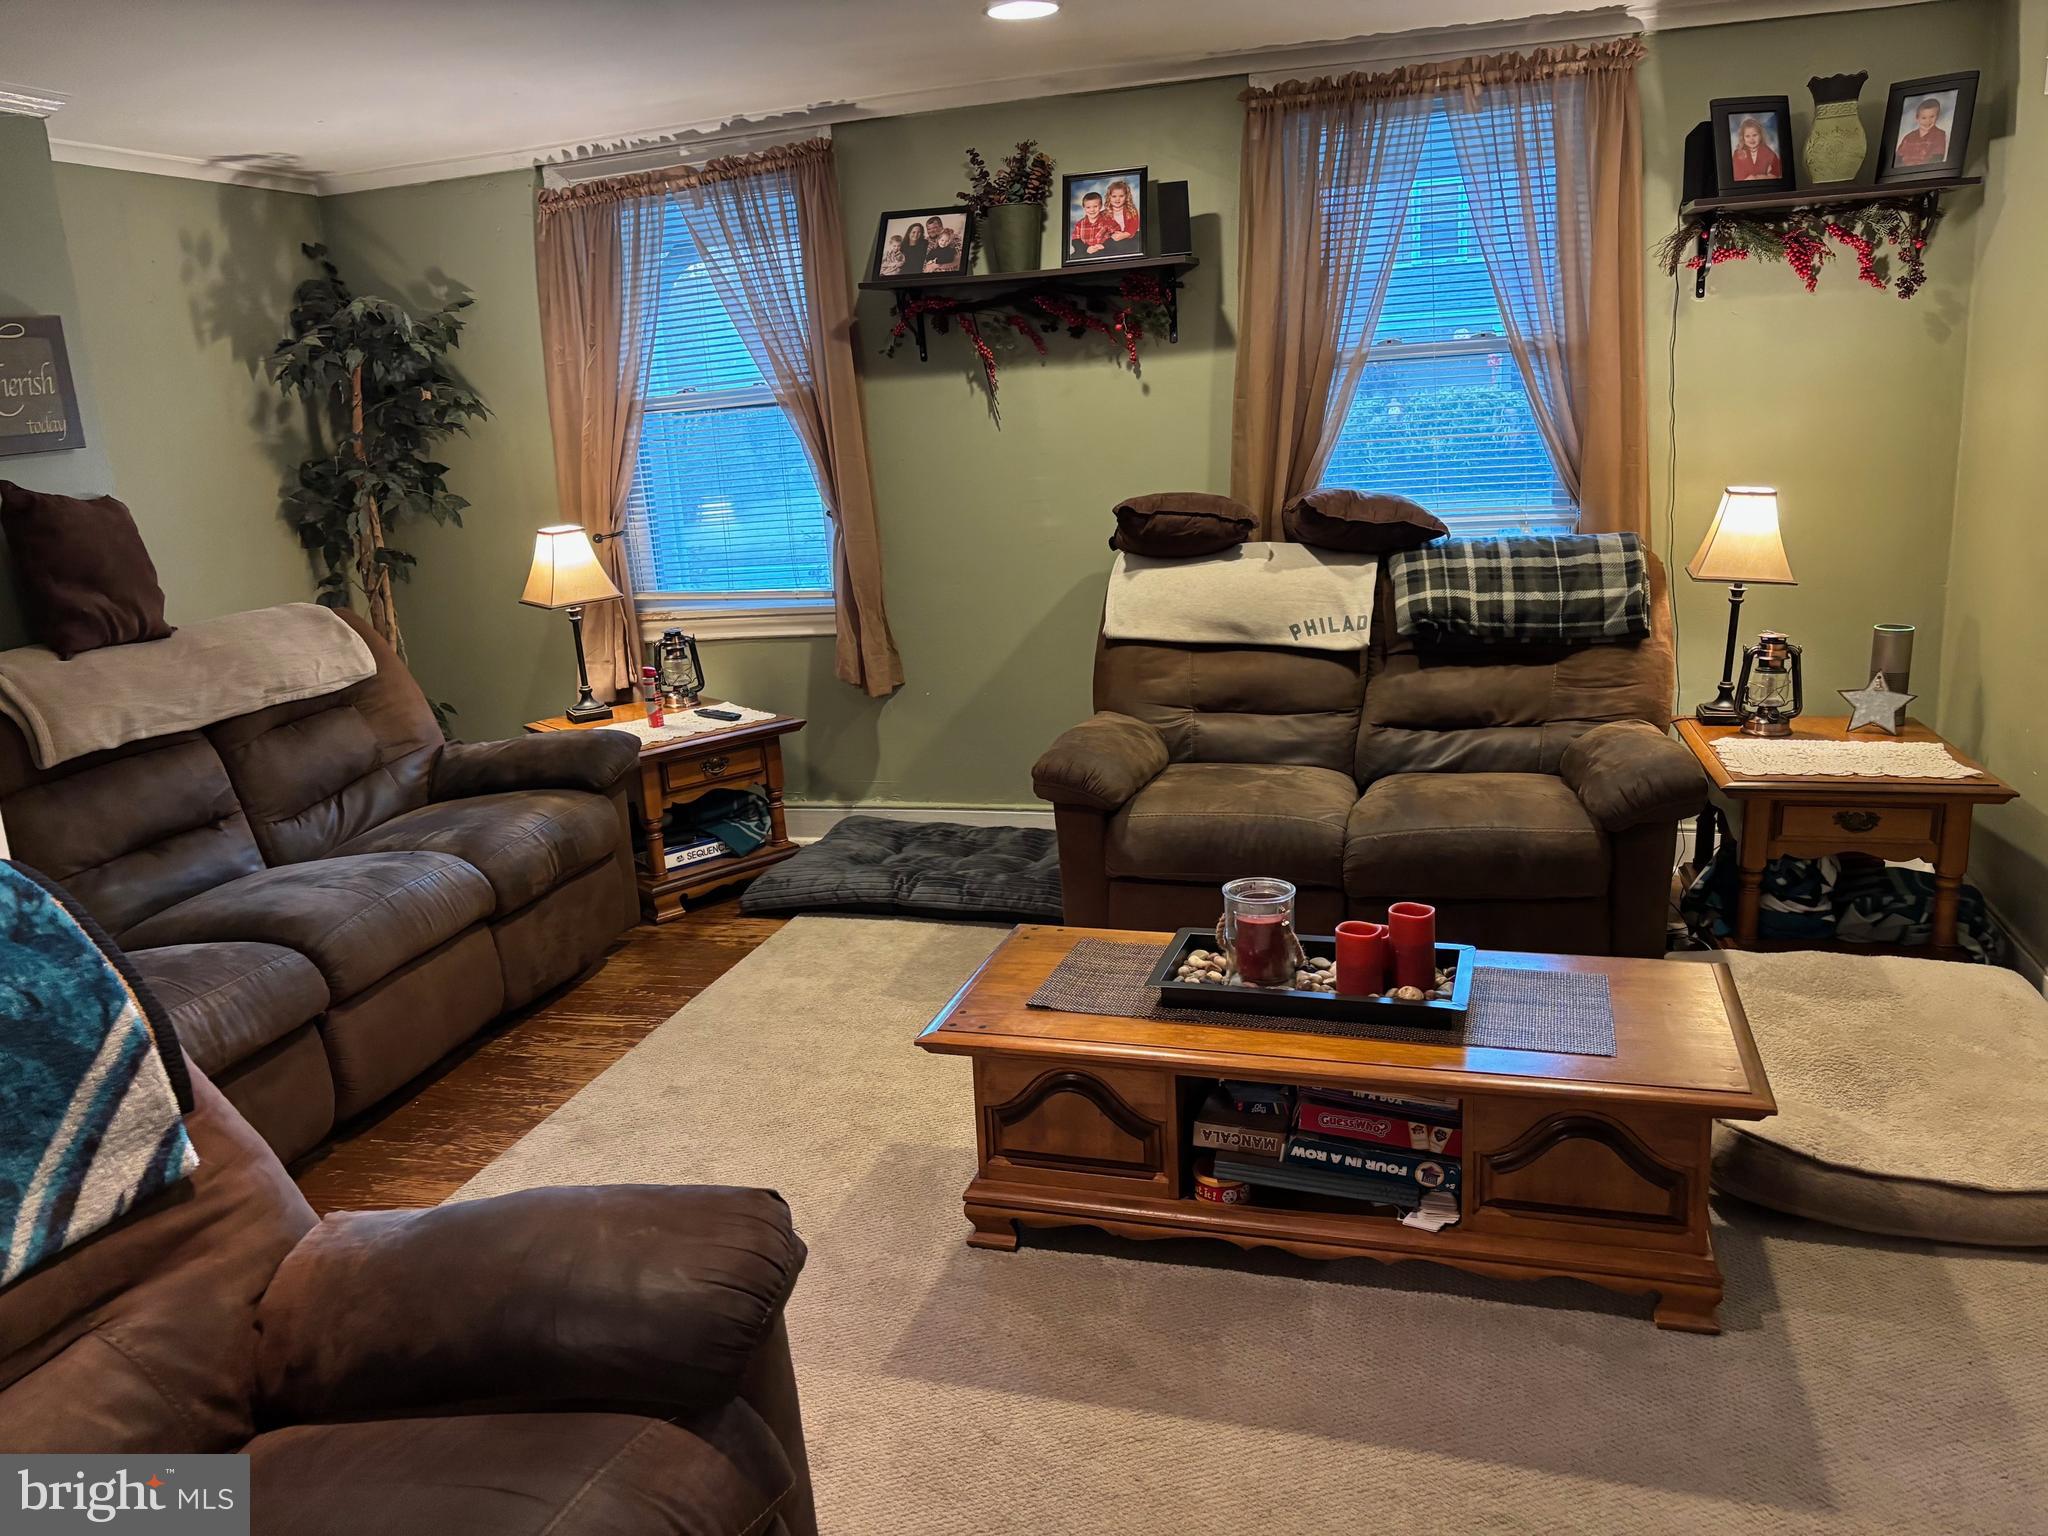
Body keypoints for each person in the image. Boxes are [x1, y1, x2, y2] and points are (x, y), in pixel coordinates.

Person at [1894, 97, 1949, 167]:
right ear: (1917, 118)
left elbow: (1937, 158)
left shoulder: (1939, 135)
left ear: (1937, 116)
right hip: (1905, 173)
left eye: (1932, 117)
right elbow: (1898, 158)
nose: (1928, 121)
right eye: (1924, 118)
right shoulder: (1908, 137)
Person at [1730, 116, 1782, 181]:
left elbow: (1777, 170)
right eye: (1747, 136)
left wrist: (1765, 177)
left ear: (1760, 135)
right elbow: (1735, 174)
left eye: (1754, 135)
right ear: (1743, 137)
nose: (1751, 139)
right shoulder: (1738, 153)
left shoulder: (1767, 151)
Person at [1070, 190, 1111, 258]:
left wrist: (1105, 245)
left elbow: (1115, 235)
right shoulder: (1079, 224)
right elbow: (1075, 241)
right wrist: (1086, 249)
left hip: (1102, 251)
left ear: (1100, 206)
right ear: (1084, 208)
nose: (1092, 210)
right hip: (1084, 251)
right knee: (1074, 257)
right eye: (1088, 207)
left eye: (1095, 206)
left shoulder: (1107, 221)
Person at [1103, 179, 1141, 249]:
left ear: (1126, 196)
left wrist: (1125, 235)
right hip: (1113, 238)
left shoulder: (1131, 210)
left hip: (1129, 237)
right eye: (1114, 196)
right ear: (1109, 197)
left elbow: (1133, 226)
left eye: (1121, 196)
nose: (1117, 199)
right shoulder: (1105, 213)